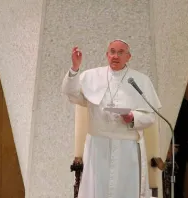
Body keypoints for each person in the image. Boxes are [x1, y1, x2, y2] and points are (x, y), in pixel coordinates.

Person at [61, 39, 162, 198]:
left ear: (128, 57)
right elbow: (71, 94)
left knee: (125, 190)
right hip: (98, 146)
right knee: (97, 190)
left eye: (120, 52)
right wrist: (75, 68)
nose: (115, 56)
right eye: (112, 52)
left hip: (127, 148)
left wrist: (133, 117)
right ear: (107, 55)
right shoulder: (92, 76)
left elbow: (151, 116)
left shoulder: (140, 80)